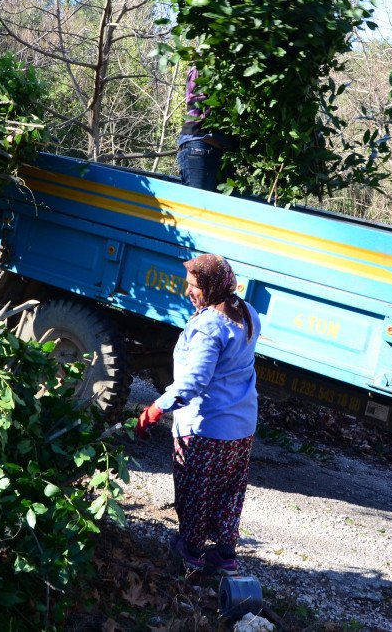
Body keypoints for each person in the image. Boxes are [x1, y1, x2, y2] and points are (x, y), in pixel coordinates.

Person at [136, 253, 260, 576]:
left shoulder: (209, 326)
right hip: (241, 427)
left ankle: (190, 555)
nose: (187, 291)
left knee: (195, 491)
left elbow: (194, 381)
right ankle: (224, 555)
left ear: (212, 287)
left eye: (194, 286)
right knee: (228, 492)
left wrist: (157, 407)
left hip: (206, 427)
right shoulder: (248, 313)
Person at [175, 66, 233, 191]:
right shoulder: (204, 65)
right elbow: (200, 100)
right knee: (198, 207)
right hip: (200, 145)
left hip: (220, 151)